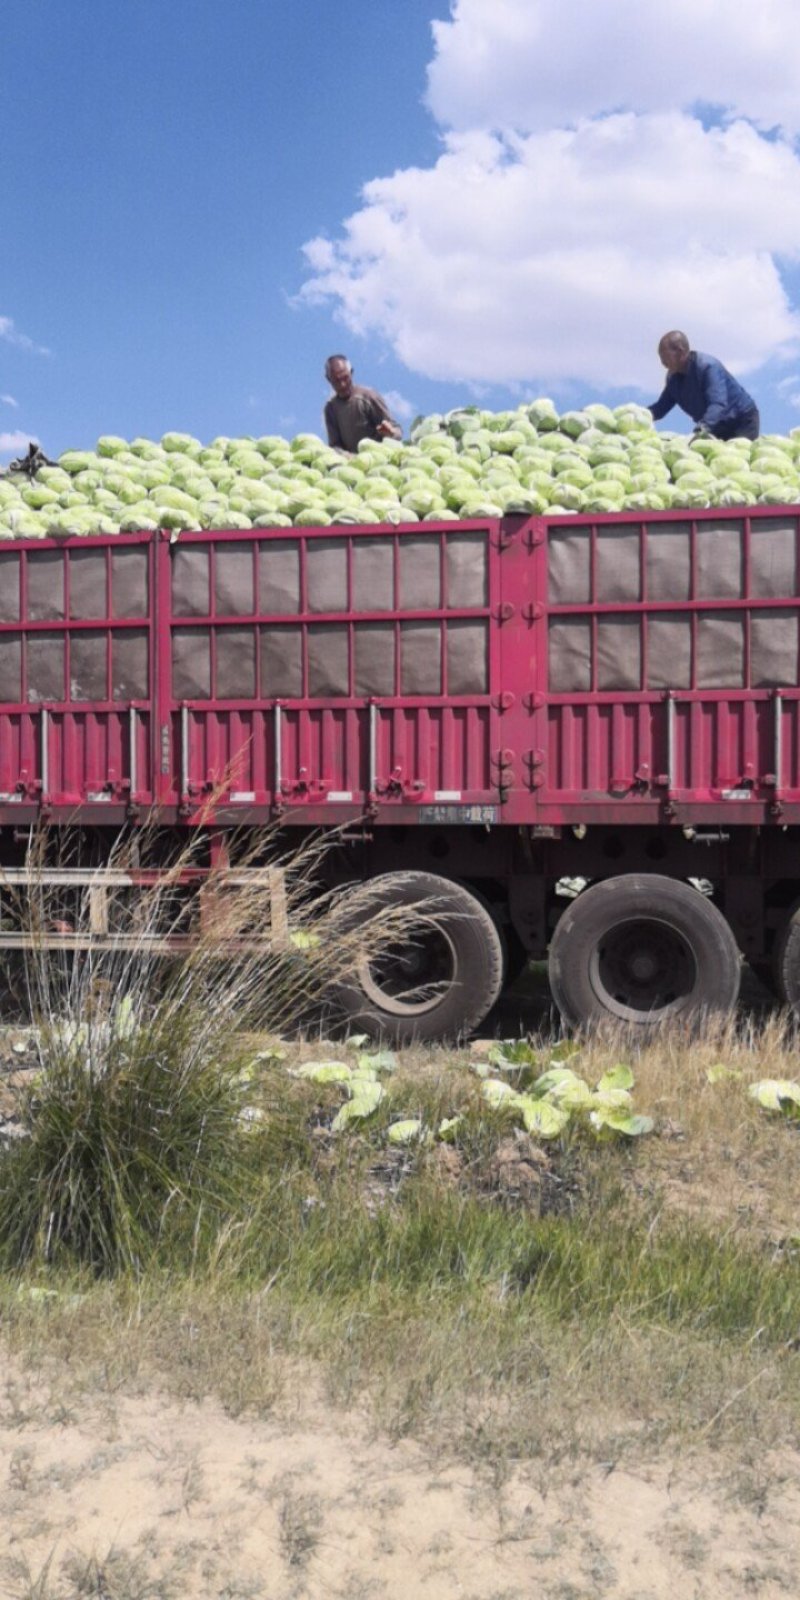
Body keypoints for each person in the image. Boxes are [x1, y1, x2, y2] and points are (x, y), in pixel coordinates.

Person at [648, 331, 760, 440]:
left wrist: (701, 428)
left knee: (739, 456)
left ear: (680, 352)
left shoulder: (707, 367)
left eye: (665, 357)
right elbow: (660, 408)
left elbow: (718, 404)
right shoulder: (673, 379)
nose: (662, 362)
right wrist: (637, 414)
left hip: (741, 421)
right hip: (716, 426)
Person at [323, 355, 402, 452]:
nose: (342, 384)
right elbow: (335, 446)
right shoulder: (331, 408)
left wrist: (391, 433)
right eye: (336, 380)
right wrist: (349, 458)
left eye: (345, 378)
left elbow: (397, 431)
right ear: (328, 379)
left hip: (379, 459)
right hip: (350, 464)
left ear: (351, 373)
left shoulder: (369, 397)